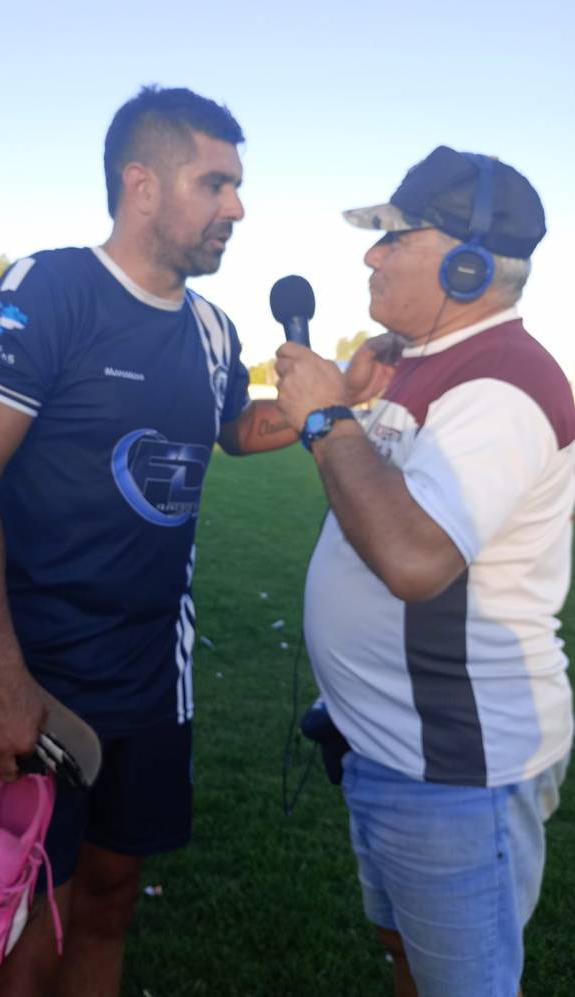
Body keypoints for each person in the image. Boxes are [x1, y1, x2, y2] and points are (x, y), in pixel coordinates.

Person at [0, 85, 297, 997]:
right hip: (39, 669)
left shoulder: (213, 329)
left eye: (239, 186)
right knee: (17, 914)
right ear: (142, 184)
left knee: (110, 892)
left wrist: (324, 400)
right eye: (216, 184)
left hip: (152, 677)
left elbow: (231, 430)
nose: (238, 208)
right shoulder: (51, 289)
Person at [275, 146, 575, 997]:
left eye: (392, 236)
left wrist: (331, 417)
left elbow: (412, 560)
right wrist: (355, 402)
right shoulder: (424, 365)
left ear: (467, 262)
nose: (370, 255)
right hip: (392, 745)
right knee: (409, 954)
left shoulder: (504, 383)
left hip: (451, 771)